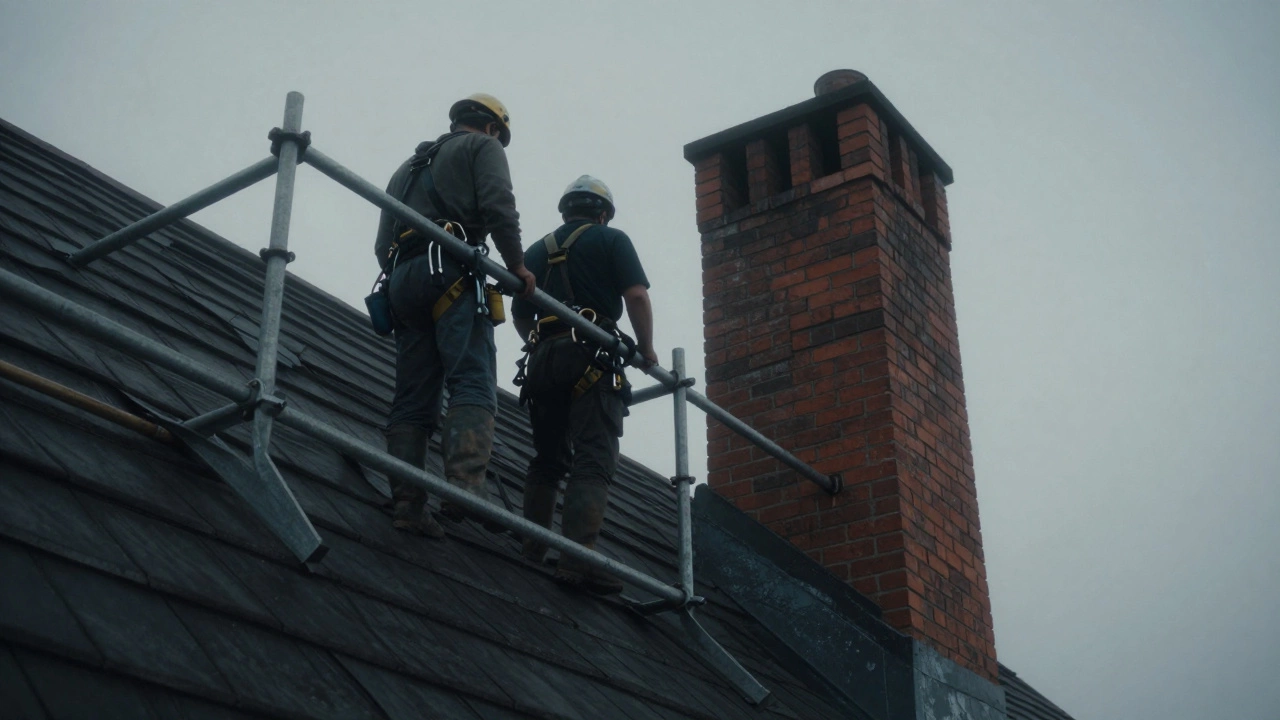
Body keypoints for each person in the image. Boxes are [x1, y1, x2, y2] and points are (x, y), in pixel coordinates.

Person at [373, 93, 536, 539]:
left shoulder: (405, 168)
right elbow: (499, 208)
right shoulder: (483, 148)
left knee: (412, 395)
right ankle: (464, 490)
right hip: (450, 271)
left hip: (403, 279)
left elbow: (380, 243)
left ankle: (408, 503)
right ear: (492, 128)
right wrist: (517, 266)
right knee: (471, 377)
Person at [511, 176, 657, 594]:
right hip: (591, 355)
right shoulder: (611, 240)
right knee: (593, 455)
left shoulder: (536, 250)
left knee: (547, 458)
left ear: (565, 210)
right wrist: (647, 350)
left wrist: (545, 347)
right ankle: (578, 560)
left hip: (542, 360)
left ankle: (532, 549)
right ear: (603, 213)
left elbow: (523, 315)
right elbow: (637, 297)